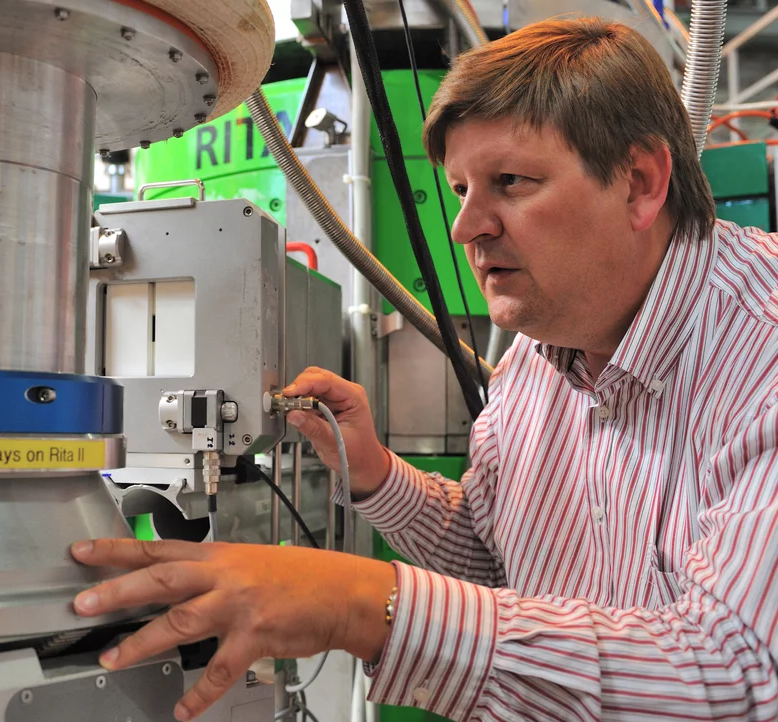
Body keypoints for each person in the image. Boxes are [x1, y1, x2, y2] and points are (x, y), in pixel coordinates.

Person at [70, 17, 778, 722]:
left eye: (510, 181)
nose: (467, 227)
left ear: (640, 181)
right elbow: (494, 556)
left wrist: (360, 602)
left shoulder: (760, 351)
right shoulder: (538, 354)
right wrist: (375, 472)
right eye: (462, 189)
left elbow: (739, 675)